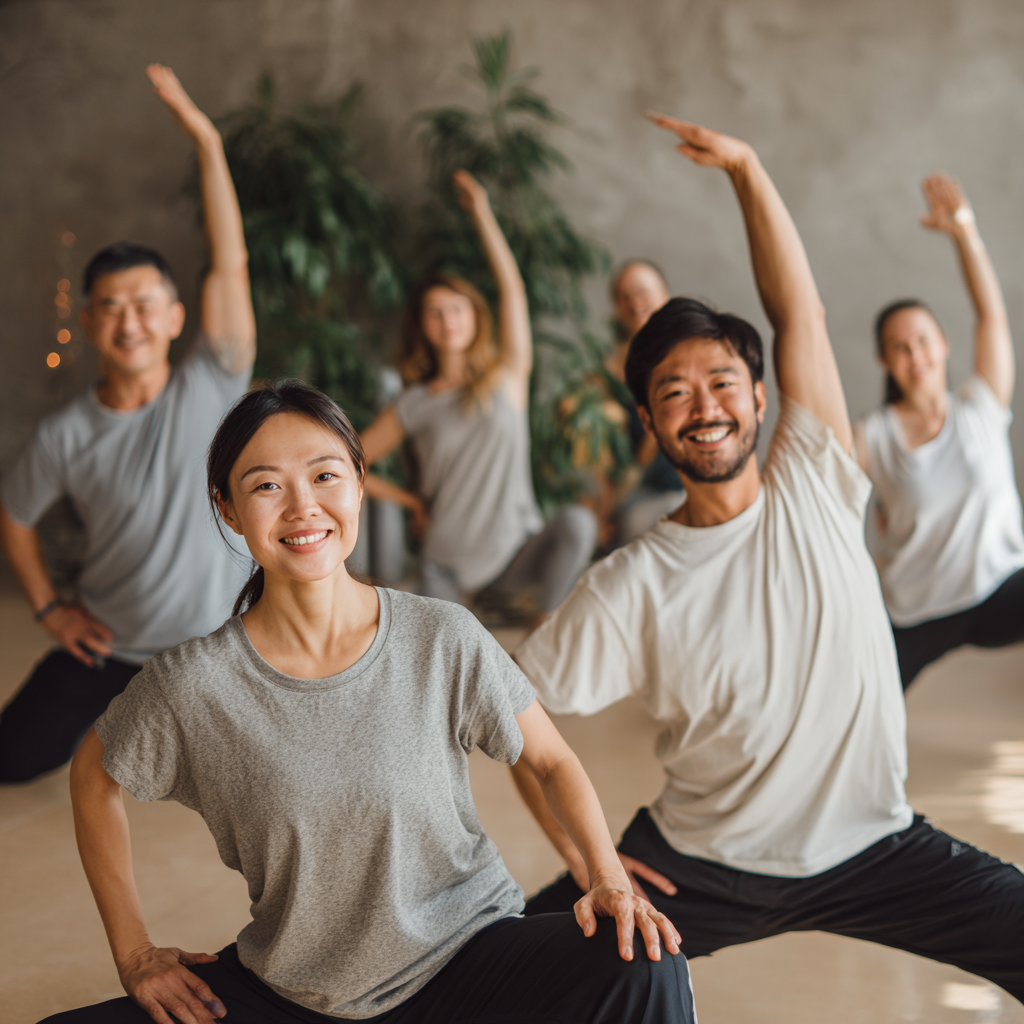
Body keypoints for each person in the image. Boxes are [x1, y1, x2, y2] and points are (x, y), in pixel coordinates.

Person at [511, 114, 1024, 1003]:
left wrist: (748, 171)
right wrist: (586, 857)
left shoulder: (817, 478)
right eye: (673, 392)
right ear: (651, 423)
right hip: (701, 867)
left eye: (721, 384)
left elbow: (800, 314)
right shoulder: (631, 582)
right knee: (513, 972)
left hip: (876, 845)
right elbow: (511, 711)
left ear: (760, 399)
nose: (701, 405)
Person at [43, 380, 694, 1024]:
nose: (303, 507)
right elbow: (94, 775)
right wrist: (134, 955)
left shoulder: (442, 635)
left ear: (359, 482)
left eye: (325, 476)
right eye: (267, 486)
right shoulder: (196, 683)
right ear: (229, 510)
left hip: (467, 960)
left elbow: (552, 761)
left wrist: (606, 877)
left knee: (642, 960)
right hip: (295, 994)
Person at [0, 65, 255, 784]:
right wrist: (52, 611)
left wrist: (207, 141)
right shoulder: (64, 434)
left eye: (145, 303)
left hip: (220, 647)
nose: (128, 319)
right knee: (13, 759)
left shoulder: (215, 377)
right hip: (111, 648)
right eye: (110, 306)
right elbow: (14, 516)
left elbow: (230, 262)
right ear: (87, 323)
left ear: (176, 318)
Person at [360, 171, 596, 616]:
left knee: (577, 523)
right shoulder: (414, 404)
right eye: (434, 312)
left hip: (514, 554)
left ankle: (545, 634)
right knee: (442, 669)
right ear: (423, 327)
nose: (447, 319)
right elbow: (347, 462)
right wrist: (410, 500)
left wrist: (483, 215)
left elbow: (513, 291)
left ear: (474, 317)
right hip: (446, 563)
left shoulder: (508, 378)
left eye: (456, 308)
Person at [853, 172, 1024, 690]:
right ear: (885, 360)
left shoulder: (981, 406)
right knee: (862, 707)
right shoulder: (873, 436)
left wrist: (964, 233)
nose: (915, 356)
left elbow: (991, 315)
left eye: (923, 341)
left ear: (944, 344)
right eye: (900, 347)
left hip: (1002, 587)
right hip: (918, 609)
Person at [602, 261, 684, 544]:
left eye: (642, 293)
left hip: (688, 486)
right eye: (624, 297)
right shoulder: (607, 376)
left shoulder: (689, 356)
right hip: (639, 496)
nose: (635, 303)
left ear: (665, 297)